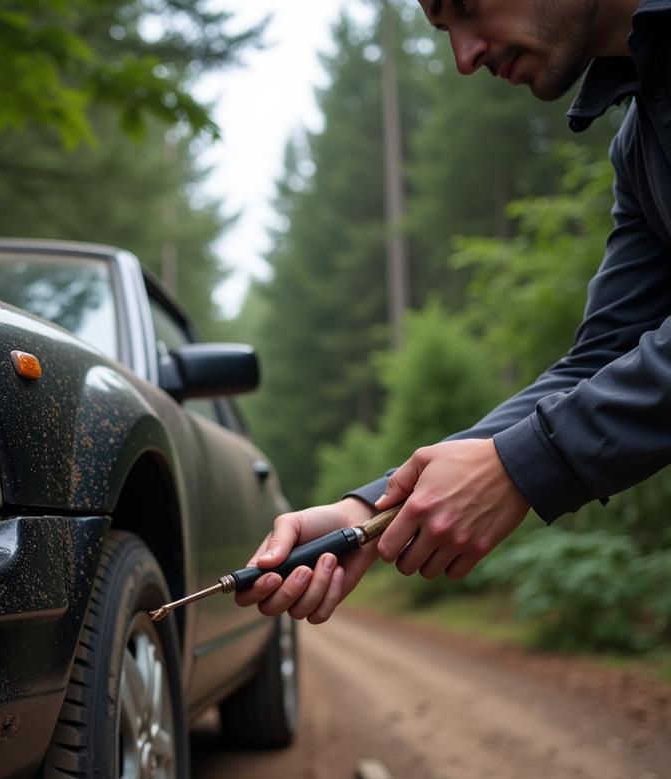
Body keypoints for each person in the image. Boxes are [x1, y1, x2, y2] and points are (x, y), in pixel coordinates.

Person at [238, 0, 671, 624]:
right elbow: (605, 356)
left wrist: (524, 463)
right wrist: (370, 509)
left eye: (465, 9)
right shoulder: (640, 144)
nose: (465, 57)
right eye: (444, 32)